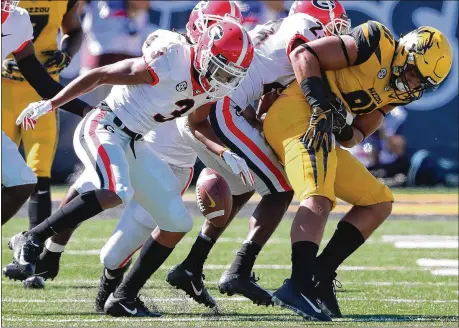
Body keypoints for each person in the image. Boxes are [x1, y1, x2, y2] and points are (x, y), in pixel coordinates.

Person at [5, 17, 254, 317]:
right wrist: (51, 103)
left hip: (135, 142)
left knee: (178, 222)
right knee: (115, 190)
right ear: (203, 51)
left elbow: (196, 120)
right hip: (105, 124)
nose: (221, 79)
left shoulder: (212, 85)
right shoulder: (172, 59)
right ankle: (31, 238)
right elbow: (101, 74)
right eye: (218, 68)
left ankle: (123, 297)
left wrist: (225, 153)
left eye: (229, 74)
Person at [261, 21, 452, 320]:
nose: (414, 84)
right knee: (319, 197)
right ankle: (297, 285)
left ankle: (320, 274)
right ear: (406, 53)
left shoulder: (401, 92)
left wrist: (341, 126)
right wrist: (321, 106)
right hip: (296, 112)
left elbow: (358, 133)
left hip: (323, 128)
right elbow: (303, 53)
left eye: (422, 83)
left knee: (378, 201)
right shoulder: (376, 42)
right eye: (414, 73)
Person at [171, 0, 350, 308]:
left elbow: (267, 91)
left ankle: (193, 264)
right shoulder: (303, 29)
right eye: (335, 25)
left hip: (225, 107)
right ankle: (237, 269)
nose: (337, 33)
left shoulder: (281, 27)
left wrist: (260, 120)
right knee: (281, 187)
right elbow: (300, 72)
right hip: (223, 109)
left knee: (251, 181)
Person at [1, 0, 91, 224]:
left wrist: (87, 110)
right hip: (5, 91)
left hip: (34, 95)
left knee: (26, 179)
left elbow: (38, 77)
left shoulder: (17, 17)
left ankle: (32, 249)